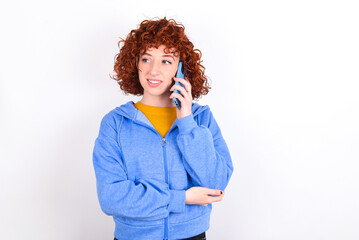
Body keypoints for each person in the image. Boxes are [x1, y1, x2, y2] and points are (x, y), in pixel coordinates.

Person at [92, 17, 234, 240]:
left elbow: (215, 184)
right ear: (135, 63)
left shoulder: (201, 118)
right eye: (146, 59)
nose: (153, 71)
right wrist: (182, 198)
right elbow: (111, 197)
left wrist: (186, 121)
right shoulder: (115, 123)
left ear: (181, 69)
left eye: (166, 61)